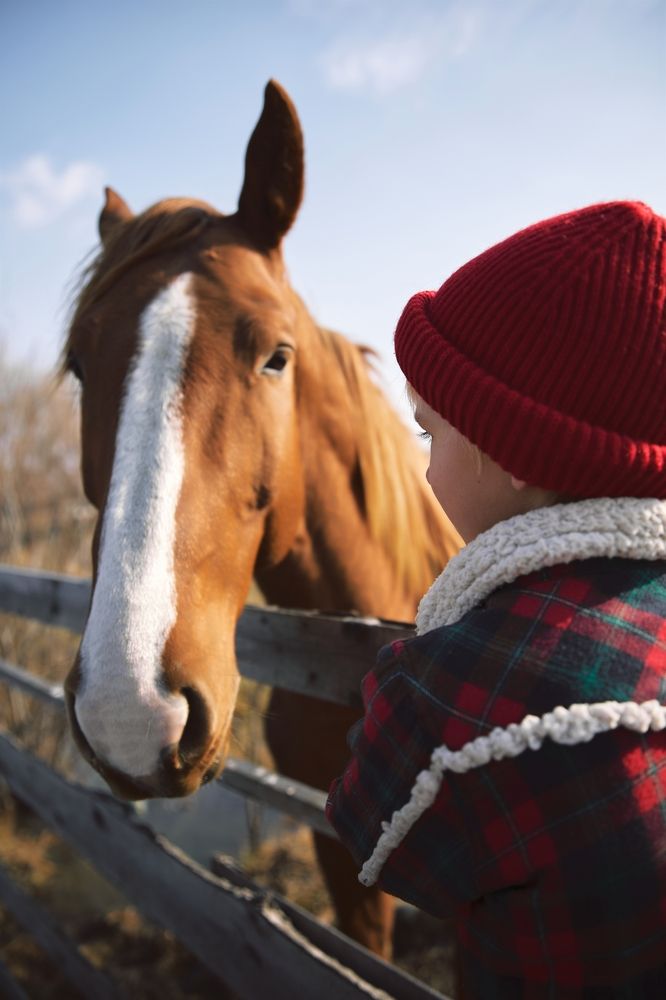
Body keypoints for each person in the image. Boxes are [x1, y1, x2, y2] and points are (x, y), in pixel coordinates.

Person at [325, 201, 666, 997]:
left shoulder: (449, 692)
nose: (424, 466)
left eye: (428, 433)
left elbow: (374, 837)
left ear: (513, 450)